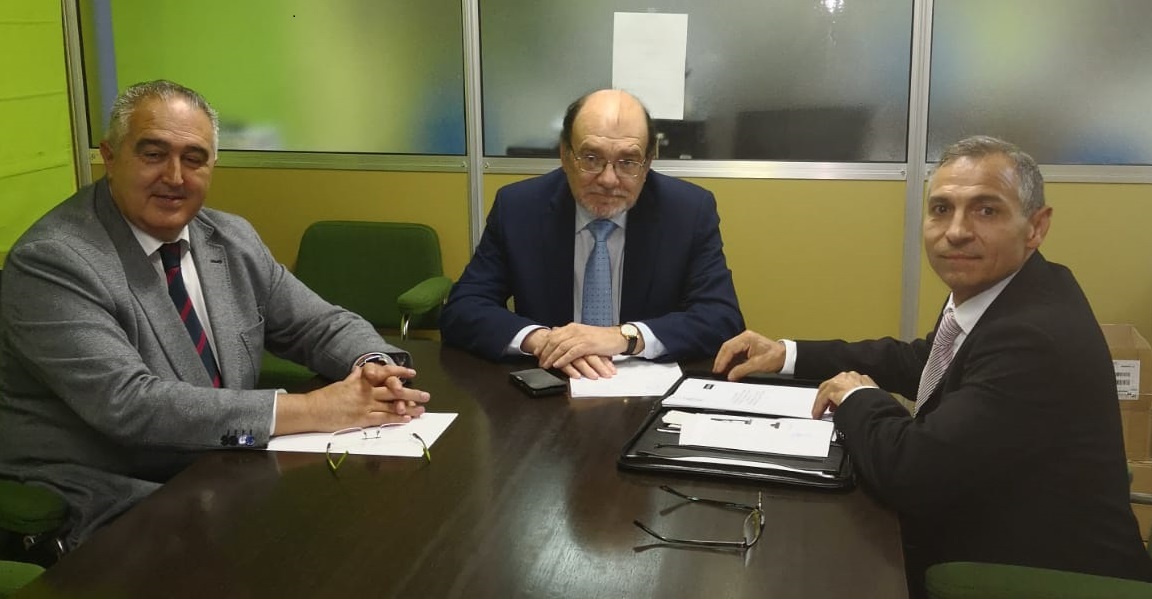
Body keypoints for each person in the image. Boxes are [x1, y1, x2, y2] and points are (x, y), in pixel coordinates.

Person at [713, 136, 1152, 595]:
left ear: (1036, 227)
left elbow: (910, 472)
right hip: (997, 514)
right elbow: (925, 362)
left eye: (986, 210)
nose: (956, 231)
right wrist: (788, 354)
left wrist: (858, 398)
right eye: (941, 209)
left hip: (1034, 571)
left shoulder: (1032, 338)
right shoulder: (1014, 287)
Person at [0, 80, 431, 548]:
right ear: (110, 156)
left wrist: (375, 370)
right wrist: (314, 409)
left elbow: (317, 324)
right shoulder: (54, 260)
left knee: (375, 531)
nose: (175, 177)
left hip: (222, 467)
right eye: (153, 154)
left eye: (194, 158)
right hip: (111, 491)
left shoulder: (229, 237)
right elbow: (129, 404)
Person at [440, 89, 743, 378]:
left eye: (628, 162)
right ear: (565, 154)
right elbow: (463, 308)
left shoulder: (688, 211)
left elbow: (721, 317)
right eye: (591, 158)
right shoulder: (519, 208)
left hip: (646, 390)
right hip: (551, 385)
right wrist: (544, 341)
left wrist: (624, 337)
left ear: (648, 162)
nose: (608, 179)